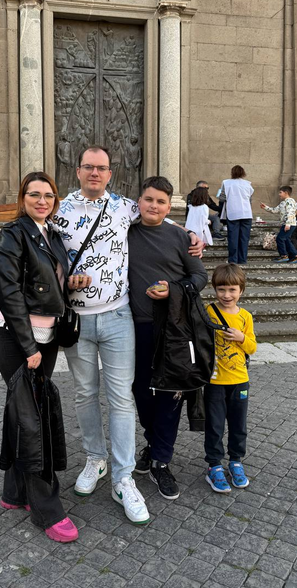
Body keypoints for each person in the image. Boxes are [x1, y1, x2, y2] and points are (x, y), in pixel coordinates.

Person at [55, 145, 203, 525]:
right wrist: (62, 279)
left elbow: (159, 216)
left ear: (110, 173)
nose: (95, 173)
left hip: (119, 316)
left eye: (101, 168)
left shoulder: (124, 207)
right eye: (89, 167)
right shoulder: (59, 210)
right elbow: (46, 252)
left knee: (121, 398)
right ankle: (96, 459)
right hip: (78, 319)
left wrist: (191, 235)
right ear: (78, 170)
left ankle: (123, 477)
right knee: (85, 394)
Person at [0, 171, 88, 544]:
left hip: (46, 338)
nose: (42, 200)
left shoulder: (51, 234)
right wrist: (29, 346)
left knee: (26, 412)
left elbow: (46, 283)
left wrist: (70, 282)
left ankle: (15, 492)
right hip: (17, 338)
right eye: (35, 194)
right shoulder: (12, 235)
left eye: (48, 195)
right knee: (34, 421)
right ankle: (47, 509)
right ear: (23, 198)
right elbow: (10, 294)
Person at [128, 176, 208, 500]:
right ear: (139, 201)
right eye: (149, 199)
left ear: (168, 205)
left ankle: (161, 459)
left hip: (174, 329)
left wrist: (173, 290)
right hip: (136, 328)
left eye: (161, 201)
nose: (154, 206)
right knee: (140, 392)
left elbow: (199, 276)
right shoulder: (125, 232)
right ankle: (153, 443)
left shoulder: (180, 237)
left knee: (170, 394)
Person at [204, 264, 257, 493]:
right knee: (214, 426)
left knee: (238, 426)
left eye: (232, 290)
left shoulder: (245, 317)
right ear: (215, 289)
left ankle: (236, 461)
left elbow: (252, 347)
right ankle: (214, 465)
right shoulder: (208, 311)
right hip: (215, 381)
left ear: (241, 290)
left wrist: (241, 337)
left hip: (239, 380)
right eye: (221, 289)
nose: (227, 295)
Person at [219, 166, 254, 265]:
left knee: (233, 238)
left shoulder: (226, 183)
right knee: (244, 238)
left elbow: (222, 198)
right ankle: (242, 259)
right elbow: (250, 200)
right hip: (246, 213)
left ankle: (233, 260)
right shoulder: (248, 184)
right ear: (243, 173)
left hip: (233, 212)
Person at [260, 186, 297, 264]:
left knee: (280, 238)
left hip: (289, 224)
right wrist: (265, 207)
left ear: (286, 193)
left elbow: (290, 213)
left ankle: (284, 255)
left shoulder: (290, 201)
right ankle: (296, 255)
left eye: (280, 192)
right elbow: (275, 210)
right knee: (286, 239)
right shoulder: (283, 203)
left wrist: (288, 224)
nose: (279, 194)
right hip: (287, 224)